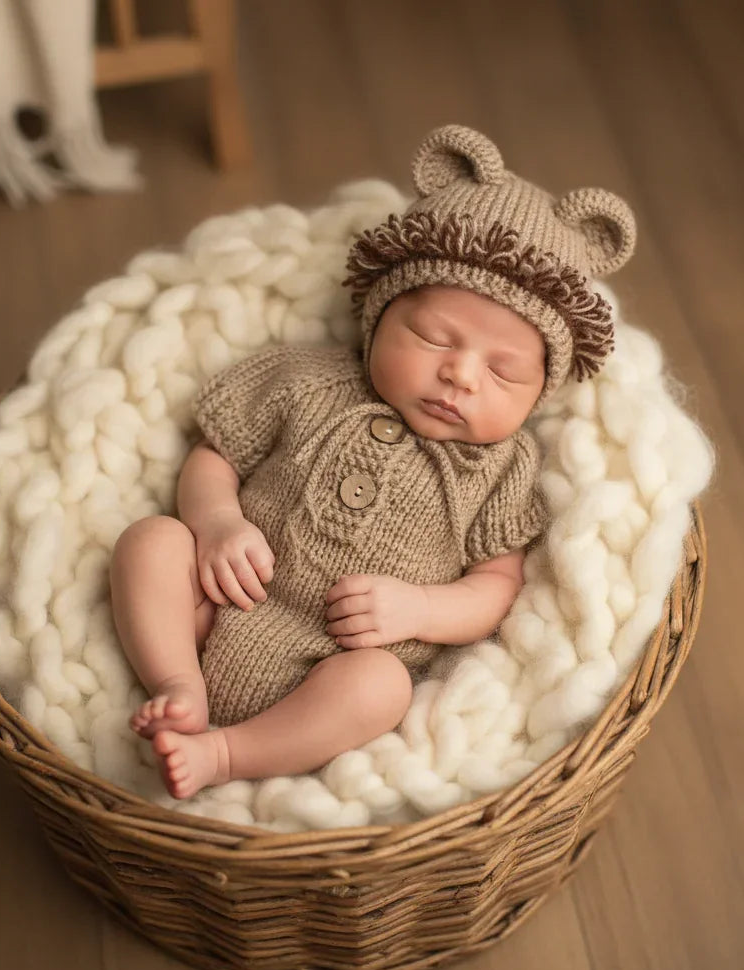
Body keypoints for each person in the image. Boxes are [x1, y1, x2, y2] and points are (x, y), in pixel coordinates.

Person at [108, 124, 637, 799]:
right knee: (152, 542)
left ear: (541, 391)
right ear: (378, 316)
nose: (461, 377)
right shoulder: (305, 379)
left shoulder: (505, 470)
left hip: (335, 664)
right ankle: (178, 687)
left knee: (381, 688)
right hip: (212, 608)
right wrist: (215, 524)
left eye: (504, 375)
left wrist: (419, 610)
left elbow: (496, 586)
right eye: (431, 337)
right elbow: (216, 455)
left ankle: (228, 753)